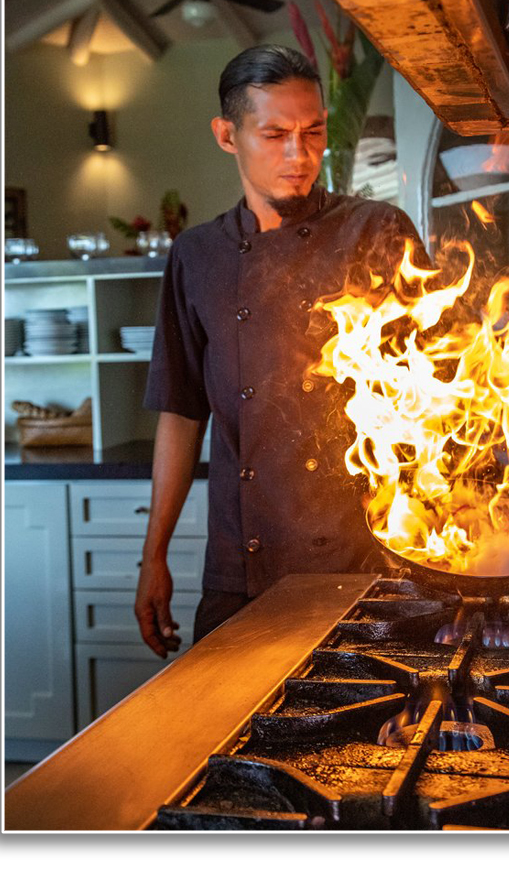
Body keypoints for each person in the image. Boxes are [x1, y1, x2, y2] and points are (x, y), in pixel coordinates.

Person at [133, 44, 424, 657]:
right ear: (227, 135)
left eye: (313, 131)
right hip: (241, 567)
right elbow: (182, 414)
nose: (300, 155)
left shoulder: (376, 231)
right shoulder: (198, 255)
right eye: (275, 134)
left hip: (365, 560)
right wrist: (152, 556)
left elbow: (436, 396)